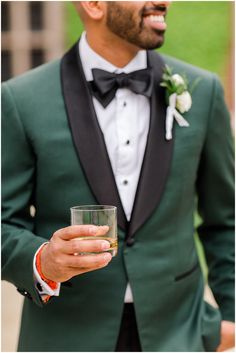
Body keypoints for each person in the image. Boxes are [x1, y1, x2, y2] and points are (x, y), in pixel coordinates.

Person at [2, 1, 235, 352]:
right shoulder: (20, 101)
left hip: (180, 335)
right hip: (66, 337)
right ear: (94, 5)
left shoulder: (204, 92)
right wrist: (43, 260)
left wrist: (231, 317)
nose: (163, 2)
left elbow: (226, 220)